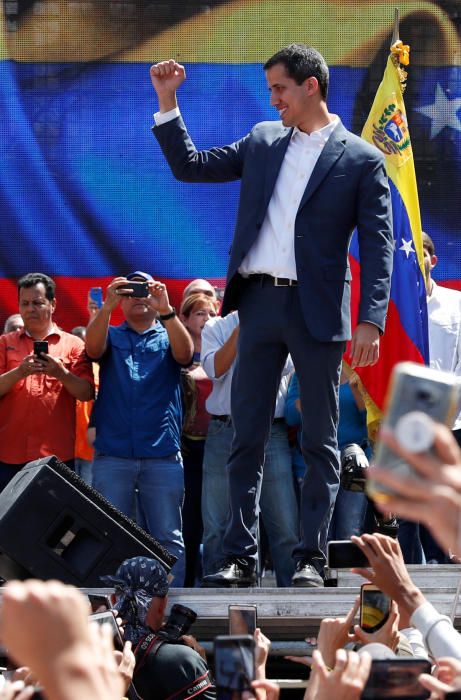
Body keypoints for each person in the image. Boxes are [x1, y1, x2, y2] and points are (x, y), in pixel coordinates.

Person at [150, 44, 393, 586]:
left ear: (311, 86)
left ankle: (310, 555)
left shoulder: (360, 159)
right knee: (246, 433)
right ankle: (239, 555)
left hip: (319, 310)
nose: (273, 99)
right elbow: (192, 166)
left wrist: (370, 320)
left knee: (319, 440)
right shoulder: (262, 140)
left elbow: (379, 246)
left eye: (280, 88)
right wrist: (168, 103)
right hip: (257, 304)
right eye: (270, 91)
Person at [85, 272, 193, 585]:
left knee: (167, 538)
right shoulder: (112, 335)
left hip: (161, 454)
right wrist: (107, 307)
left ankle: (168, 609)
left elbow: (185, 355)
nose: (137, 296)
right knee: (109, 534)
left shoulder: (168, 331)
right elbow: (92, 350)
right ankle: (115, 614)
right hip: (113, 454)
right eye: (129, 291)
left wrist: (167, 309)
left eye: (143, 289)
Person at [200, 311, 298, 586]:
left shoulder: (282, 322)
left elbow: (287, 367)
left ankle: (292, 603)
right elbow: (215, 369)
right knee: (216, 526)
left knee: (285, 526)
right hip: (225, 431)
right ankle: (217, 600)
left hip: (270, 431)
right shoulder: (216, 326)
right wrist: (243, 328)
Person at [0, 273, 94, 490]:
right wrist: (19, 372)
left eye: (37, 303)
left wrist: (61, 374)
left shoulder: (74, 345)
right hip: (9, 455)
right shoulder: (5, 343)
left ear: (53, 304)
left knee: (53, 522)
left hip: (56, 457)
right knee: (9, 522)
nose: (30, 309)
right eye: (24, 303)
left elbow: (86, 392)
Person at [102, 556, 216, 700]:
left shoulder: (95, 653)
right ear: (163, 605)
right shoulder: (183, 660)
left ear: (113, 599)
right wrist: (200, 665)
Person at [179, 292, 216, 585]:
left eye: (211, 313)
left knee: (216, 517)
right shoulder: (178, 352)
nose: (207, 320)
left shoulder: (222, 347)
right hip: (187, 446)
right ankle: (189, 581)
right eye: (200, 314)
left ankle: (214, 580)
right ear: (186, 319)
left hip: (219, 442)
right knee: (189, 519)